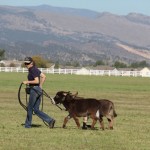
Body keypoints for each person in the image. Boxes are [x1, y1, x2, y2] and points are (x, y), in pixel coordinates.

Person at [23, 57, 55, 128]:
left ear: (31, 63)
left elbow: (36, 81)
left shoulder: (32, 70)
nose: (26, 64)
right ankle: (50, 120)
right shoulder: (35, 69)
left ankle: (27, 125)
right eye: (25, 63)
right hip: (38, 90)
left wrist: (27, 82)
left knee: (30, 108)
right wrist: (40, 86)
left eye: (27, 63)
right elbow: (44, 76)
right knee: (36, 109)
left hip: (34, 90)